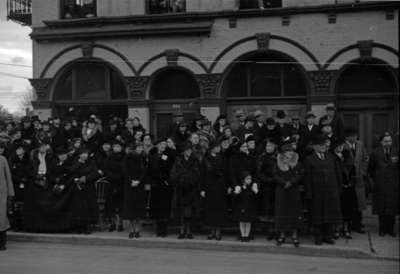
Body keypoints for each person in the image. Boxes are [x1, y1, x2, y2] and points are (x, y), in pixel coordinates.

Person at [304, 134, 342, 245]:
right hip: (317, 192)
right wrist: (309, 193)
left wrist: (338, 188)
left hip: (331, 191)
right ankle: (318, 236)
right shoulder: (309, 159)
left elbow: (337, 173)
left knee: (329, 214)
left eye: (324, 145)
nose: (323, 147)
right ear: (315, 146)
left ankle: (328, 235)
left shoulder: (331, 157)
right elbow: (307, 178)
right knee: (318, 215)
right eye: (320, 145)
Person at [368, 132, 399, 237]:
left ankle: (391, 229)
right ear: (381, 142)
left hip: (393, 185)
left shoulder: (396, 151)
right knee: (382, 208)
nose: (388, 143)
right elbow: (370, 169)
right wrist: (376, 179)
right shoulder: (375, 153)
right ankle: (382, 229)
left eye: (390, 141)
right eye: (386, 141)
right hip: (380, 185)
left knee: (392, 208)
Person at [274, 141, 304, 247]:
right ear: (284, 153)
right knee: (282, 212)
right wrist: (283, 183)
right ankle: (282, 235)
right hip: (281, 191)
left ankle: (294, 235)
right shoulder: (278, 162)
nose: (291, 153)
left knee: (294, 213)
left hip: (293, 191)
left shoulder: (297, 163)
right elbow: (275, 175)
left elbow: (301, 174)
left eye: (292, 150)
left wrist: (291, 182)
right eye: (288, 151)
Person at [170, 142, 201, 239]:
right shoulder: (178, 160)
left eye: (190, 150)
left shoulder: (194, 160)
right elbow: (174, 173)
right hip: (181, 189)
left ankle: (189, 231)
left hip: (191, 189)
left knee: (190, 212)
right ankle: (182, 231)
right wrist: (180, 180)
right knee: (181, 212)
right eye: (187, 150)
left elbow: (197, 174)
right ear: (184, 151)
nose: (189, 152)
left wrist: (190, 180)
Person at [342, 128, 368, 234]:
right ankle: (349, 225)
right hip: (348, 180)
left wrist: (363, 171)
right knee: (350, 204)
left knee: (359, 203)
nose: (354, 138)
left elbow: (365, 158)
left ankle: (358, 224)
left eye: (355, 136)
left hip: (359, 179)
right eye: (352, 136)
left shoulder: (360, 144)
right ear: (347, 137)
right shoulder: (343, 146)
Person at [201, 141, 228, 241]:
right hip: (209, 187)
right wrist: (202, 188)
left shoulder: (222, 158)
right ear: (212, 148)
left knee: (219, 210)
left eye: (219, 147)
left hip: (220, 187)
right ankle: (212, 230)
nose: (218, 149)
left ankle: (218, 231)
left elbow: (225, 172)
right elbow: (203, 174)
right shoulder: (206, 158)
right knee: (211, 210)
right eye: (216, 147)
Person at [148, 140, 175, 237]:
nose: (163, 146)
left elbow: (172, 169)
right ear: (157, 146)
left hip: (166, 185)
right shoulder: (152, 156)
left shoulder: (169, 155)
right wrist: (152, 181)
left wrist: (168, 181)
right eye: (161, 144)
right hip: (156, 185)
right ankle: (158, 230)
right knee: (157, 208)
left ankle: (164, 230)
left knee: (165, 207)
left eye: (164, 144)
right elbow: (150, 170)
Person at [122, 143, 147, 238]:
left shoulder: (143, 158)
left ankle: (137, 230)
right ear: (134, 149)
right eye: (139, 148)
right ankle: (131, 229)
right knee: (130, 208)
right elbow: (125, 170)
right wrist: (131, 181)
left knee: (139, 208)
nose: (140, 149)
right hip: (129, 185)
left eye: (141, 147)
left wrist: (139, 181)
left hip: (139, 185)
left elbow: (144, 171)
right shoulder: (127, 158)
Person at [103, 141, 125, 232]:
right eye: (115, 146)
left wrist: (118, 177)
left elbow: (125, 170)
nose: (117, 148)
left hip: (121, 183)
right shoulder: (109, 157)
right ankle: (112, 223)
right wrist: (112, 177)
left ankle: (120, 223)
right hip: (111, 183)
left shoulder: (124, 157)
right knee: (110, 205)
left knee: (120, 204)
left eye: (118, 146)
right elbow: (106, 169)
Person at [258, 138, 277, 239]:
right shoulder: (262, 157)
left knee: (275, 208)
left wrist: (274, 179)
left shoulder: (278, 157)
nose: (268, 148)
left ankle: (276, 230)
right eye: (267, 146)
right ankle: (269, 230)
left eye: (270, 146)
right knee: (267, 208)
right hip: (265, 186)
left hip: (276, 185)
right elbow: (258, 170)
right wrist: (265, 179)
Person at [8, 145, 31, 231]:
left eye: (20, 149)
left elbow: (30, 170)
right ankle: (16, 224)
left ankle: (24, 224)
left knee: (24, 205)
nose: (19, 150)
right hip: (16, 185)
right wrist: (19, 179)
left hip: (25, 185)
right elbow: (10, 173)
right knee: (16, 205)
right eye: (17, 149)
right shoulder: (12, 159)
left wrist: (25, 178)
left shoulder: (27, 160)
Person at [233, 172, 258, 242]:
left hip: (250, 207)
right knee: (242, 222)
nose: (249, 180)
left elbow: (255, 198)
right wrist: (236, 192)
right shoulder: (239, 187)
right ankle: (243, 235)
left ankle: (247, 235)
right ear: (243, 180)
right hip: (241, 207)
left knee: (248, 222)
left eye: (250, 179)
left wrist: (255, 191)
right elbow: (235, 199)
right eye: (248, 179)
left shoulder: (252, 188)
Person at [0, 144, 14, 251]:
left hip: (2, 192)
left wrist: (10, 192)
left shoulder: (2, 159)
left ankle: (2, 243)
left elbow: (8, 176)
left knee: (2, 218)